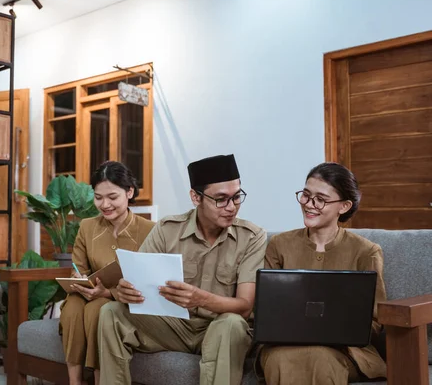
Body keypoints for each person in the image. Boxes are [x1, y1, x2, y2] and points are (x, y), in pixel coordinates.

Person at [98, 154, 267, 385]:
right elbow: (137, 282)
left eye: (237, 197)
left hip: (220, 330)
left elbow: (245, 307)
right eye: (221, 199)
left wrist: (200, 299)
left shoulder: (252, 237)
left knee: (232, 323)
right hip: (174, 327)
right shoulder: (167, 229)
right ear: (195, 197)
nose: (231, 207)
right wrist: (125, 290)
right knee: (111, 312)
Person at [258, 162, 387, 384]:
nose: (309, 204)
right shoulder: (279, 244)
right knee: (280, 359)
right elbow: (265, 309)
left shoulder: (366, 251)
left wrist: (337, 331)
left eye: (321, 199)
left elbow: (375, 320)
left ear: (344, 206)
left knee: (320, 357)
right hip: (282, 346)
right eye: (306, 195)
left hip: (343, 351)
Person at [60, 161, 155, 385]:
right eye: (98, 197)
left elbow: (149, 281)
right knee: (72, 306)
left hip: (124, 300)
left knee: (98, 309)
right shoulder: (87, 227)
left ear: (129, 192)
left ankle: (100, 379)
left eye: (112, 197)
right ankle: (74, 382)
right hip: (87, 292)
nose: (105, 204)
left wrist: (107, 293)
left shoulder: (150, 230)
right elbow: (79, 267)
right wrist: (79, 279)